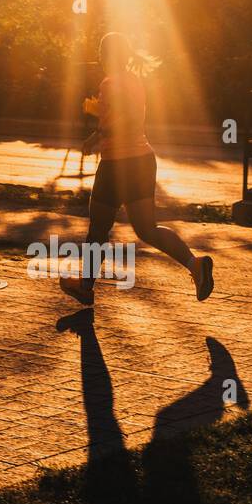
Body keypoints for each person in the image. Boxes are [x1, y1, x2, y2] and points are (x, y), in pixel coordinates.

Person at [59, 32, 213, 305]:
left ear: (107, 56)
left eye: (100, 52)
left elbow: (124, 119)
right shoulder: (134, 81)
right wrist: (101, 118)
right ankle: (195, 264)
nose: (98, 57)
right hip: (142, 159)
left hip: (118, 164)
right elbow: (125, 115)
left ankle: (85, 286)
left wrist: (97, 135)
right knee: (146, 228)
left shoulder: (110, 83)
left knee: (98, 229)